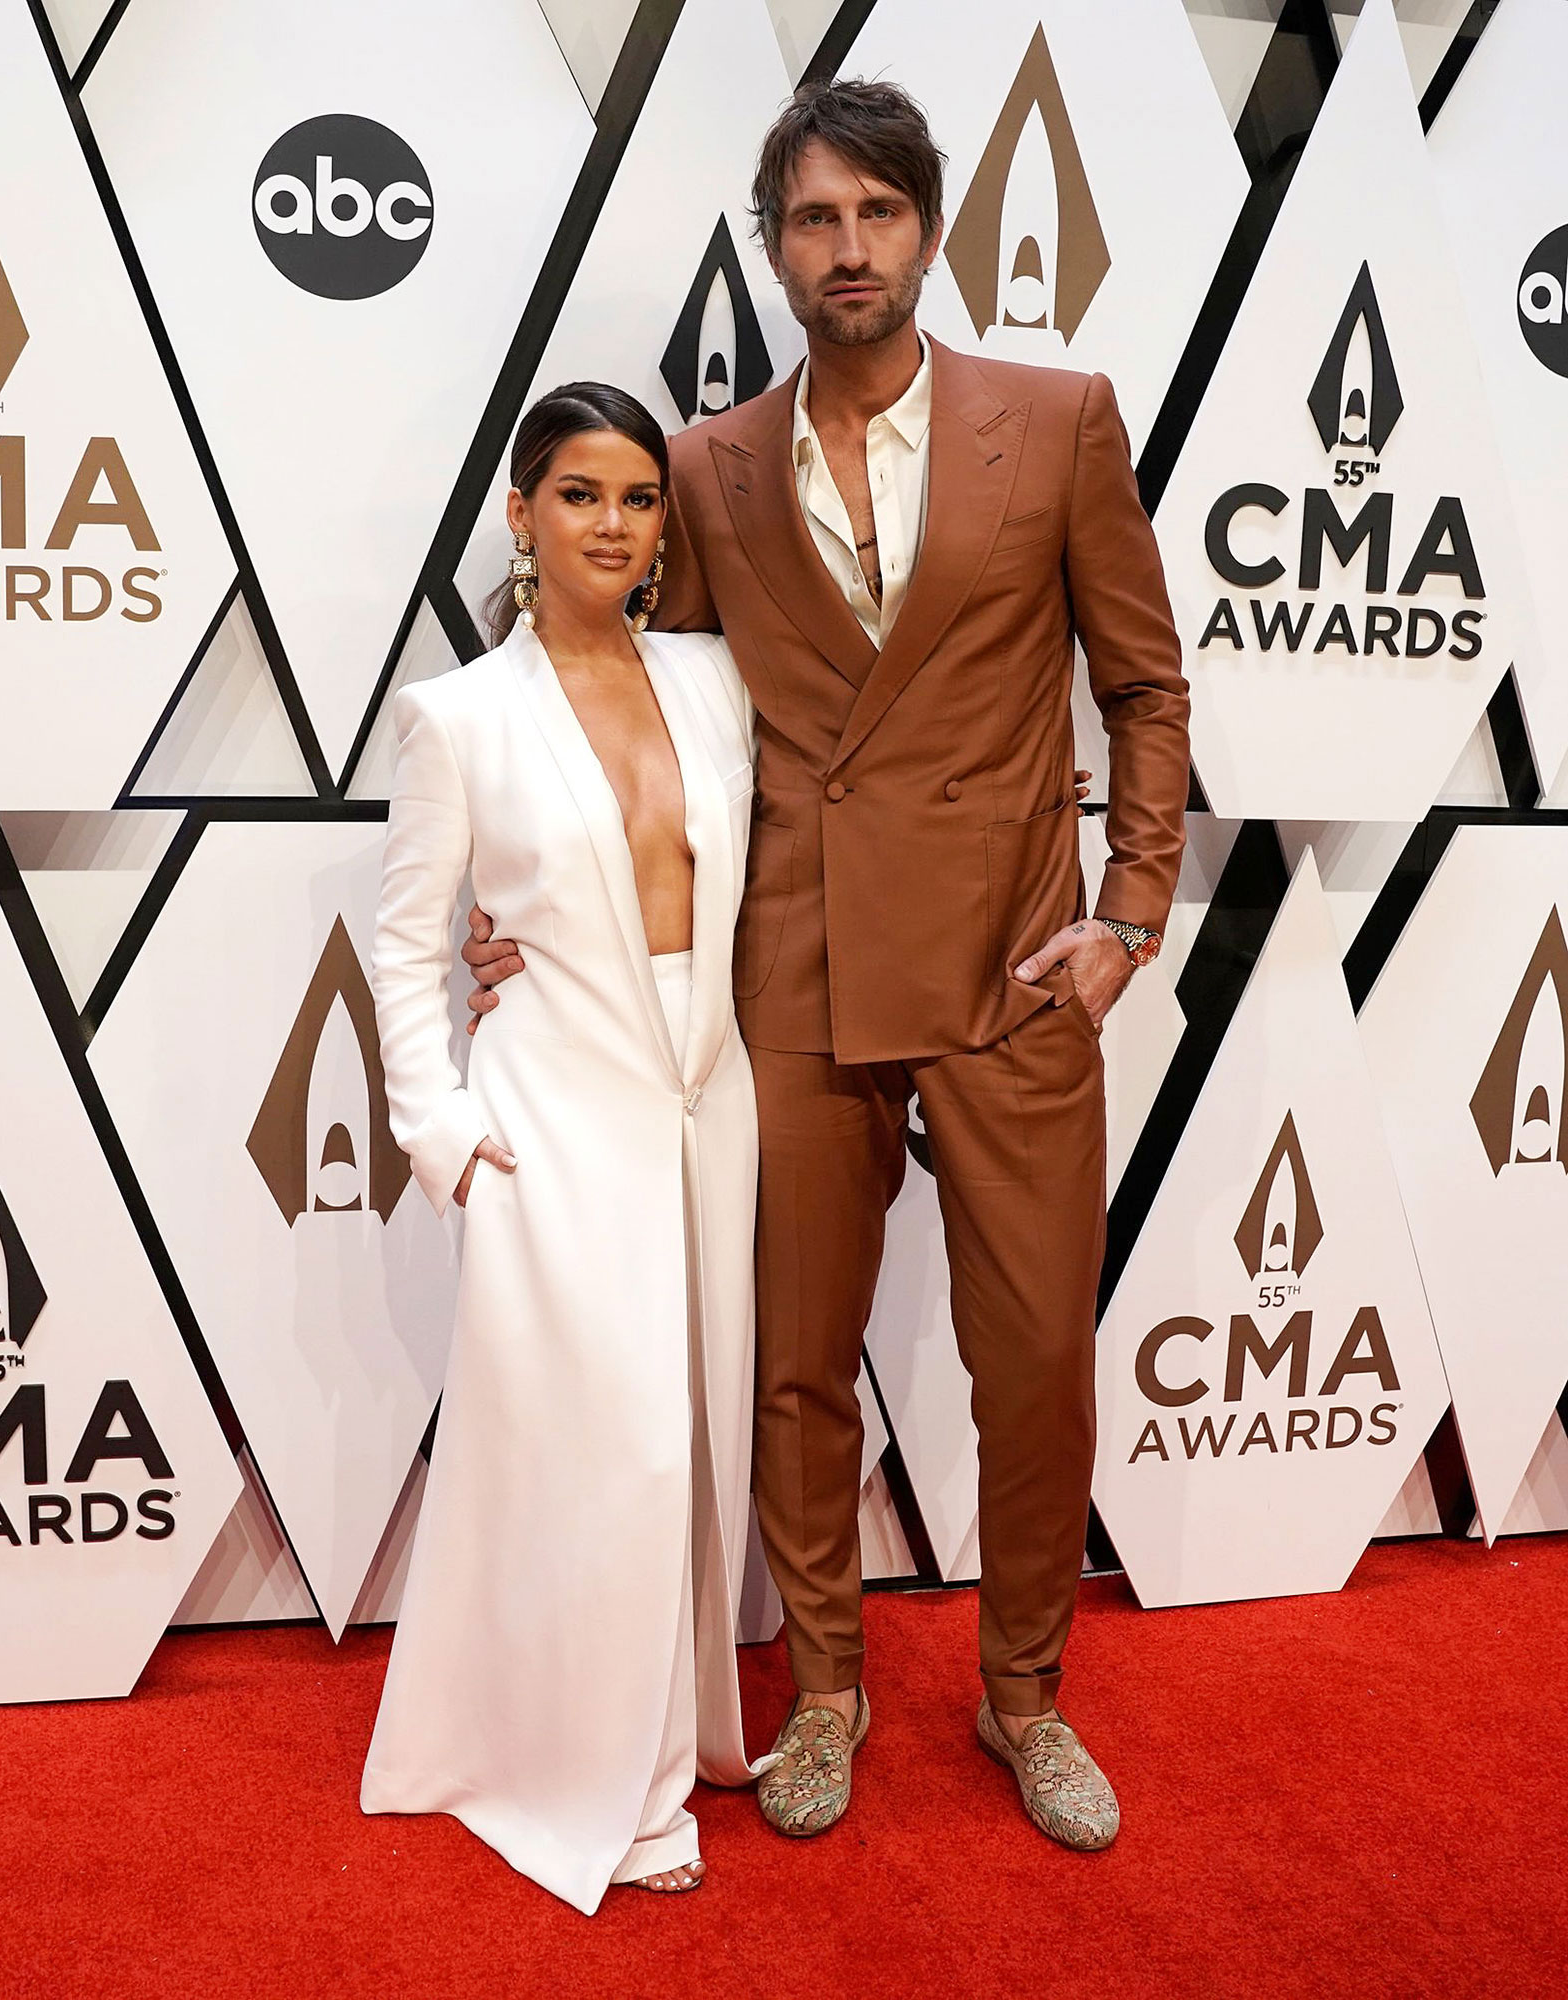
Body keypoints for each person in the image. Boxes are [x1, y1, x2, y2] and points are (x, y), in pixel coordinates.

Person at [465, 79, 1189, 1854]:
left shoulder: (1059, 419)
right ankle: (823, 1691)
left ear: (925, 230)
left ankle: (1026, 1697)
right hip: (789, 971)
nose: (846, 246)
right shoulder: (708, 467)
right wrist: (539, 906)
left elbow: (1141, 682)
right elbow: (652, 716)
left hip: (1014, 967)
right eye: (812, 218)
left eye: (875, 212)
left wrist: (1129, 916)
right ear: (773, 247)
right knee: (796, 1361)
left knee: (1037, 1361)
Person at [360, 383, 771, 1914]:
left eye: (639, 497)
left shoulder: (716, 679)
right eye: (580, 494)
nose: (613, 524)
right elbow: (408, 944)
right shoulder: (459, 715)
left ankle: (676, 1726)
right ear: (521, 513)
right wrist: (444, 1132)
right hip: (548, 1118)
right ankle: (620, 1786)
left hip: (707, 1100)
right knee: (613, 1450)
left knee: (693, 1436)